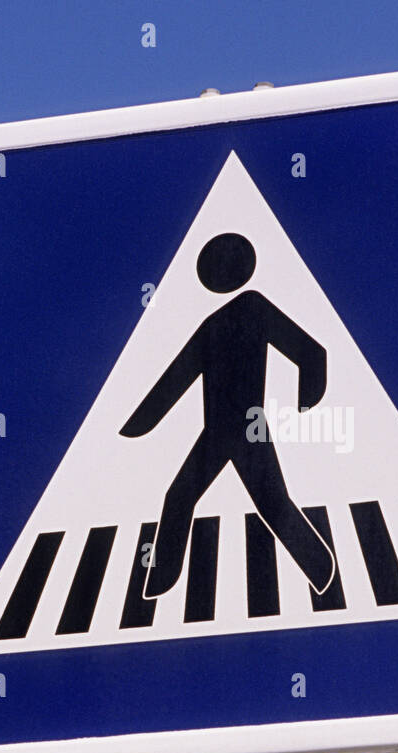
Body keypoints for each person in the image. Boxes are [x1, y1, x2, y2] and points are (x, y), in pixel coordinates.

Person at [121, 232, 336, 598]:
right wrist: (139, 424)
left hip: (247, 428)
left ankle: (321, 569)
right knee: (183, 497)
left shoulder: (253, 306)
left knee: (268, 502)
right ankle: (160, 581)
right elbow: (176, 380)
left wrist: (306, 399)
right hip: (217, 432)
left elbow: (311, 352)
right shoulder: (212, 324)